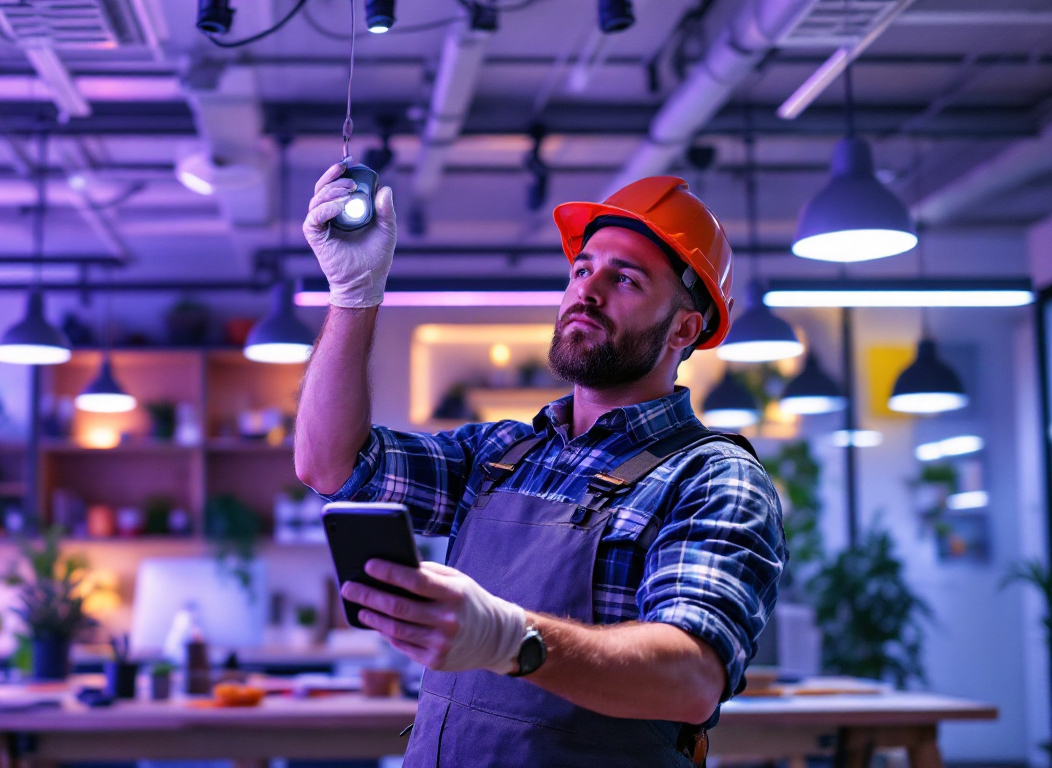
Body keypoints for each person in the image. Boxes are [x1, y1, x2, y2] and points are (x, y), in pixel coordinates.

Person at [295, 162, 786, 767]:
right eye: (582, 269)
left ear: (684, 327)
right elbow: (332, 465)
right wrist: (352, 295)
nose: (588, 289)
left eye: (625, 279)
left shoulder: (710, 478)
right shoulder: (500, 456)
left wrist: (509, 640)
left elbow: (692, 677)